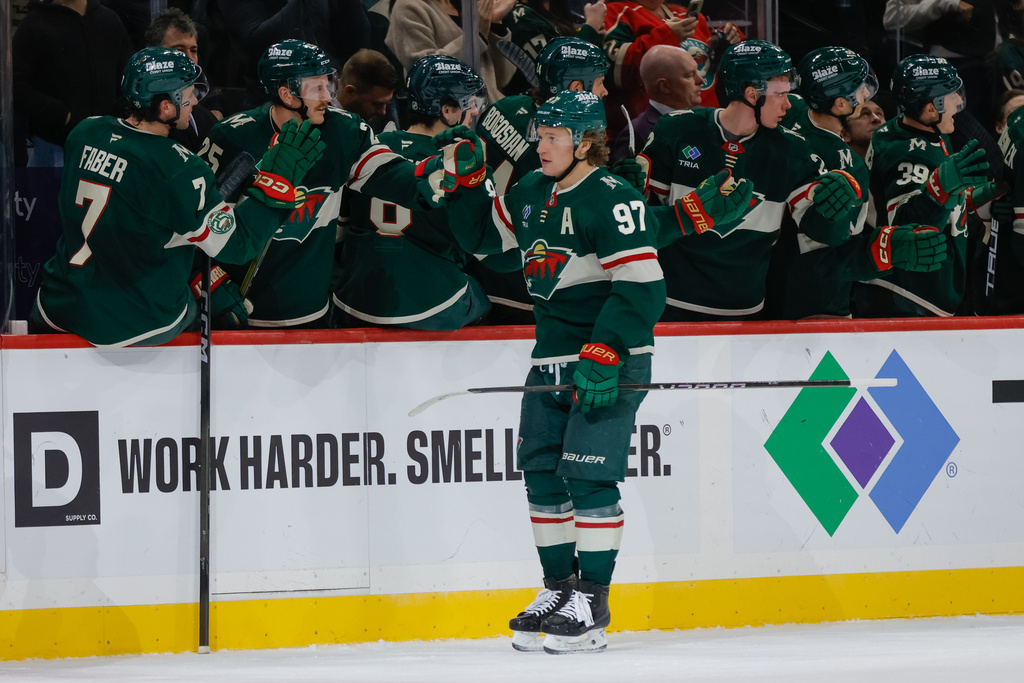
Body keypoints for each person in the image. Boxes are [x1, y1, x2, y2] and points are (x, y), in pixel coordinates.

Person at [29, 47, 325, 346]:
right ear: (166, 108)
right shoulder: (177, 168)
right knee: (219, 312)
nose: (195, 101)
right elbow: (236, 245)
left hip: (58, 303)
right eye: (188, 93)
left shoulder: (85, 132)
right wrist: (276, 185)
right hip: (135, 321)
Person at [201, 40, 451, 329]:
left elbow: (393, 176)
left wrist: (437, 175)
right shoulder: (231, 138)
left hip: (313, 314)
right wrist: (207, 280)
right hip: (241, 315)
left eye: (328, 84)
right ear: (286, 93)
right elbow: (195, 222)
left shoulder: (345, 132)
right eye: (315, 87)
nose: (327, 96)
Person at [642, 40, 862, 321]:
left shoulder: (792, 150)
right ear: (750, 93)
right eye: (780, 94)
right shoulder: (677, 129)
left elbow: (822, 233)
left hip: (744, 314)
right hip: (668, 304)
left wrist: (837, 208)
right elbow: (641, 223)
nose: (788, 103)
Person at [769, 46, 948, 320]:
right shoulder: (849, 165)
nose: (866, 94)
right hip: (816, 307)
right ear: (840, 104)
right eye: (860, 89)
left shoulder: (788, 110)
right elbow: (835, 250)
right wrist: (886, 249)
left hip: (762, 292)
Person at [332, 55, 492, 329]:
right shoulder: (462, 162)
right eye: (470, 104)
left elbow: (341, 227)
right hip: (430, 301)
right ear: (446, 110)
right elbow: (488, 246)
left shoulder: (373, 145)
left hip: (353, 295)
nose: (475, 112)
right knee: (485, 299)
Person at [473, 36, 611, 322]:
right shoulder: (564, 147)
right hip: (527, 279)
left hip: (480, 258)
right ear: (576, 87)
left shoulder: (503, 107)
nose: (605, 91)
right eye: (599, 82)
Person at [855, 54, 993, 317]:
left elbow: (941, 197)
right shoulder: (905, 151)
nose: (959, 102)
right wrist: (940, 188)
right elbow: (906, 226)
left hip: (916, 293)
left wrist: (976, 197)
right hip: (907, 297)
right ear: (931, 108)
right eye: (952, 95)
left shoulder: (920, 132)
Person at [602, 0, 743, 134]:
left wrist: (728, 43)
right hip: (652, 132)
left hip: (708, 127)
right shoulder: (617, 12)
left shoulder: (683, 13)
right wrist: (666, 35)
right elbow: (615, 72)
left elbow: (714, 70)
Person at [12, 0, 133, 152]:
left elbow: (128, 78)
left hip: (107, 142)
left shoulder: (110, 20)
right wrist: (62, 115)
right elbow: (15, 86)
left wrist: (118, 118)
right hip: (54, 144)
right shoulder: (34, 23)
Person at [385, 0, 518, 105]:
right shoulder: (407, 7)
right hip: (449, 122)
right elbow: (427, 73)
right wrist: (477, 36)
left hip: (493, 117)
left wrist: (495, 24)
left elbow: (503, 78)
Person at [610, 44, 702, 163]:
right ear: (664, 86)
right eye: (689, 75)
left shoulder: (707, 119)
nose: (700, 80)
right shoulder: (636, 134)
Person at [144, 7, 221, 152]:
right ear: (154, 53)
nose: (190, 60)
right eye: (179, 50)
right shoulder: (136, 113)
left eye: (193, 51)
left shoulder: (205, 119)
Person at [501, 0, 607, 94]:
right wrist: (591, 27)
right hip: (540, 107)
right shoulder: (521, 17)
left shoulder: (557, 8)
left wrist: (594, 36)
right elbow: (559, 73)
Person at [336, 48, 400, 124]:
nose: (383, 112)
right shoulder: (322, 124)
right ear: (350, 91)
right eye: (377, 104)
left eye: (386, 103)